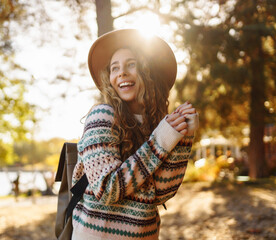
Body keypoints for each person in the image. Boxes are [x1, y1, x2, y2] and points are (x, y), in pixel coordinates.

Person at [71, 29, 199, 240]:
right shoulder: (102, 115)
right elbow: (107, 189)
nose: (121, 72)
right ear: (109, 78)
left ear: (148, 72)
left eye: (131, 64)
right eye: (114, 68)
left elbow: (162, 193)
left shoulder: (157, 125)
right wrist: (161, 140)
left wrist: (184, 136)